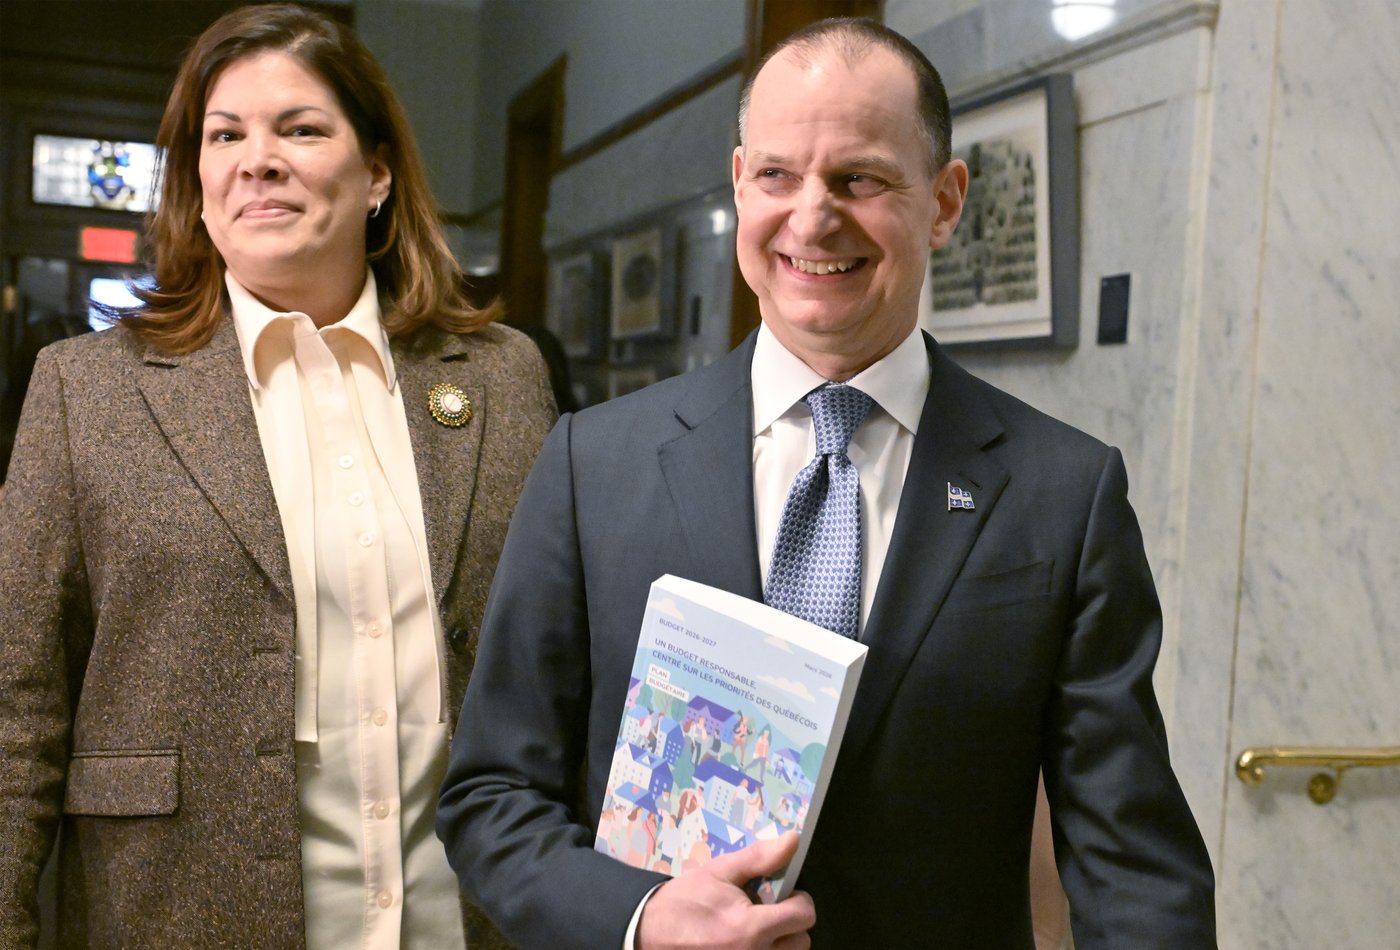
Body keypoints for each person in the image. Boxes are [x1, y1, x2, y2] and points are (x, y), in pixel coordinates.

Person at [437, 16, 1215, 950]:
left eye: (860, 179)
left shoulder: (1063, 493)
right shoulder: (592, 465)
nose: (811, 218)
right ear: (739, 184)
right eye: (777, 175)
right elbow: (492, 796)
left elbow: (1134, 869)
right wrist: (639, 919)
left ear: (944, 201)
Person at [0, 5, 554, 948]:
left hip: (465, 919)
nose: (257, 160)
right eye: (225, 136)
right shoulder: (86, 392)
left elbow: (559, 658)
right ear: (199, 182)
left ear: (377, 173)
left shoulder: (503, 376)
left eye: (299, 128)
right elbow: (17, 706)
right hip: (184, 914)